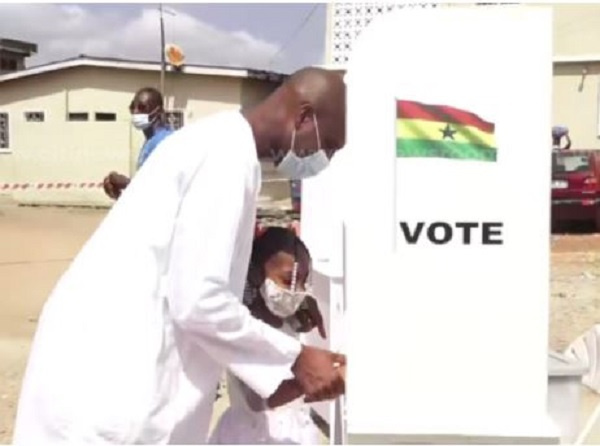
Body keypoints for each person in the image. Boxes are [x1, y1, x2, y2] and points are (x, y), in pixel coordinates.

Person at [13, 67, 347, 444]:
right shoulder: (227, 160)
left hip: (99, 363)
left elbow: (195, 269)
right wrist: (296, 358)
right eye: (330, 143)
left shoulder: (214, 141)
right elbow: (200, 300)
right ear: (303, 117)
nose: (326, 158)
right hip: (115, 384)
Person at [210, 227, 324, 445]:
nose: (296, 291)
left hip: (294, 430)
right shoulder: (245, 329)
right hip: (253, 436)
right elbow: (258, 401)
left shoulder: (289, 318)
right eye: (289, 280)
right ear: (255, 273)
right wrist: (313, 379)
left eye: (303, 282)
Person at [102, 87, 174, 200]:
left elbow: (161, 189)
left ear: (158, 111)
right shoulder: (151, 141)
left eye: (142, 107)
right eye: (132, 107)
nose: (135, 112)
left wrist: (127, 183)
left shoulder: (165, 142)